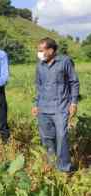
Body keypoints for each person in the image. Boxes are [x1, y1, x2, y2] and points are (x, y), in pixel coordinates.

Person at [32, 37, 80, 173]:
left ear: (51, 50)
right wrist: (36, 104)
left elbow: (74, 82)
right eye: (38, 50)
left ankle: (64, 169)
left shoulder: (65, 62)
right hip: (43, 108)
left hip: (61, 107)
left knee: (62, 138)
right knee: (47, 138)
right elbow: (39, 85)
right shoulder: (39, 65)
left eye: (41, 50)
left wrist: (74, 103)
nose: (39, 53)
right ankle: (51, 166)